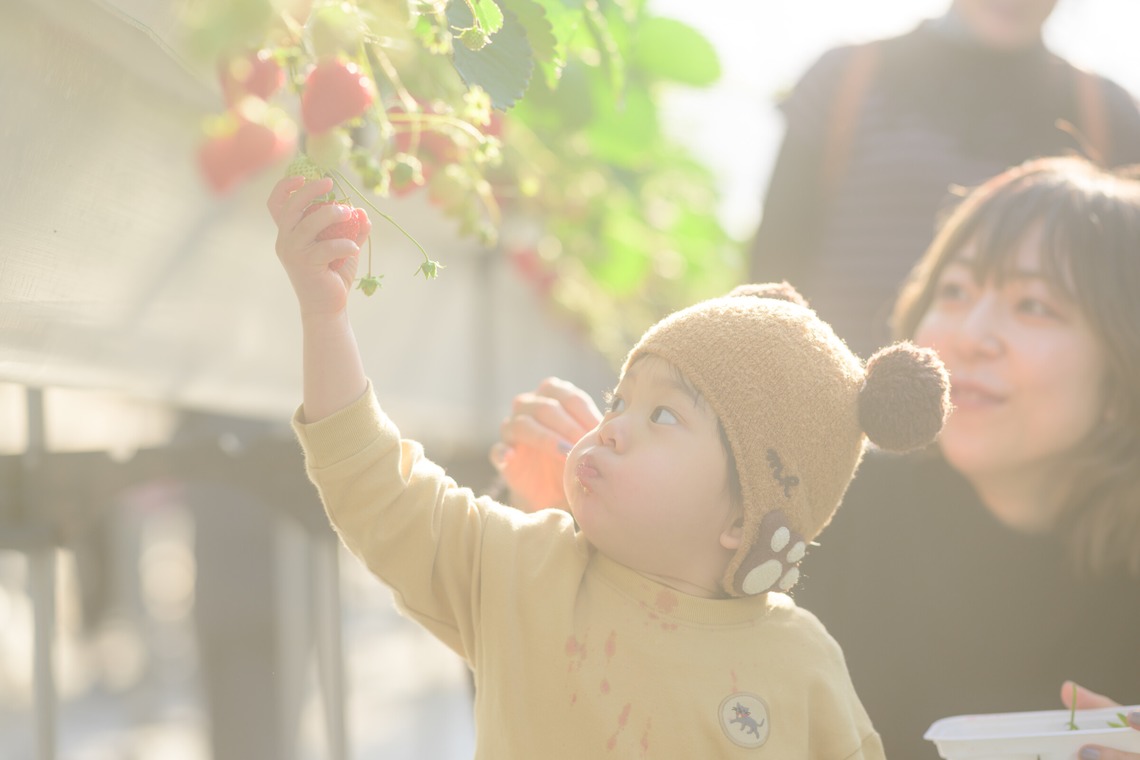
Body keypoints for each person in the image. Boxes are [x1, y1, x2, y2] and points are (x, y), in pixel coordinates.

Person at [267, 172, 953, 757]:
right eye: (618, 400)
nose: (613, 427)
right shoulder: (519, 570)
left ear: (745, 516)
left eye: (664, 416)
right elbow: (374, 485)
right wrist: (325, 319)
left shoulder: (802, 665)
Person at [495, 155, 1140, 759]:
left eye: (1034, 305)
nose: (970, 336)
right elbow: (571, 707)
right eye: (954, 290)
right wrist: (563, 543)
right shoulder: (812, 505)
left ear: (1123, 362)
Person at [749, 0, 1140, 357]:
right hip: (834, 387)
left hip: (1011, 402)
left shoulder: (1109, 116)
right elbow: (774, 259)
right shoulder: (846, 76)